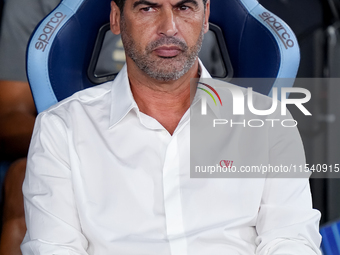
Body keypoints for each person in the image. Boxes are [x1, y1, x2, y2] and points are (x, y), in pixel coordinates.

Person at [21, 0, 322, 254]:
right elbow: (55, 247)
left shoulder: (268, 121)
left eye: (184, 7)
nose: (169, 28)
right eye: (148, 8)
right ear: (116, 19)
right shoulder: (61, 128)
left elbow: (291, 240)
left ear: (205, 17)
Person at [0, 0, 59, 254]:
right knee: (27, 178)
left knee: (197, 172)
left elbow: (199, 92)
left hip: (182, 137)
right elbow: (9, 116)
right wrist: (78, 140)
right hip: (67, 144)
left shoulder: (182, 11)